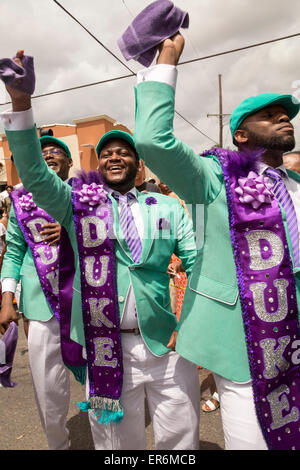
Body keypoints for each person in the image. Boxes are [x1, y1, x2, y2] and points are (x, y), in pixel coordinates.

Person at [0, 51, 200, 451]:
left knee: (181, 440)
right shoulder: (79, 206)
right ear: (98, 165)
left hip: (167, 345)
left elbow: (194, 263)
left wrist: (192, 326)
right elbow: (37, 176)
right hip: (104, 349)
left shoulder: (165, 207)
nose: (114, 156)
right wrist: (21, 105)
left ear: (139, 167)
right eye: (106, 152)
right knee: (116, 447)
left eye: (123, 151)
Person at [133, 33, 300, 450]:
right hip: (245, 343)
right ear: (241, 135)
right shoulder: (213, 180)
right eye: (270, 116)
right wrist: (167, 59)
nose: (285, 119)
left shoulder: (295, 185)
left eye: (287, 114)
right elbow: (154, 141)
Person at [0, 135, 83, 450]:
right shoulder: (21, 201)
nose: (49, 155)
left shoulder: (89, 198)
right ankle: (58, 444)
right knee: (47, 391)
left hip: (87, 305)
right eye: (42, 152)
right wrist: (8, 299)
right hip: (40, 307)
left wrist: (70, 227)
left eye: (56, 152)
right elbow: (12, 254)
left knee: (101, 381)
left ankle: (109, 441)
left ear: (69, 163)